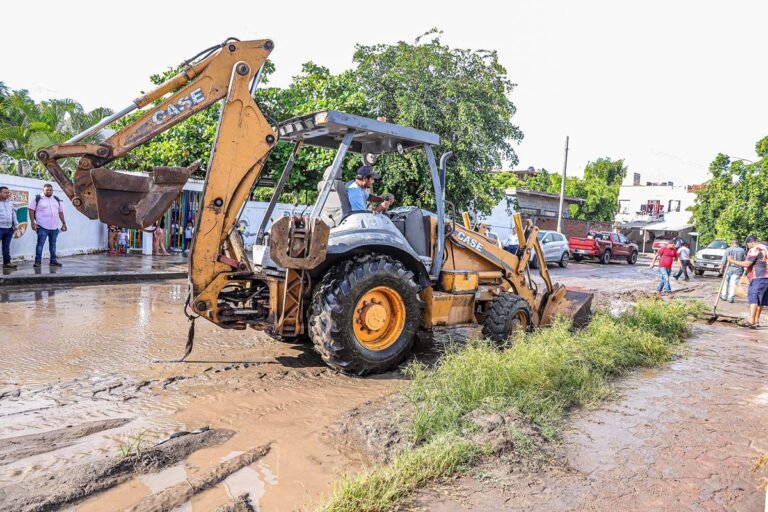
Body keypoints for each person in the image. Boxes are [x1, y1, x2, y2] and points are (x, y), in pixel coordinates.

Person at [727, 235, 768, 328]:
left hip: (758, 277)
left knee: (754, 299)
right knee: (760, 301)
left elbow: (746, 264)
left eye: (748, 244)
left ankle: (751, 321)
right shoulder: (766, 248)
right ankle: (756, 322)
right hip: (766, 278)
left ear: (752, 242)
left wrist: (732, 261)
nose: (748, 246)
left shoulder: (755, 249)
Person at [29, 183, 67, 268]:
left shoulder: (56, 199)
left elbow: (60, 212)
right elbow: (31, 210)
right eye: (47, 190)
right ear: (43, 190)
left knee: (53, 245)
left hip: (54, 227)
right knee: (40, 244)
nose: (49, 191)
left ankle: (53, 261)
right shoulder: (37, 198)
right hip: (42, 226)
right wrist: (32, 222)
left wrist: (64, 223)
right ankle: (37, 262)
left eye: (50, 190)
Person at [720, 239, 746, 303]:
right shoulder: (742, 250)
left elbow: (724, 260)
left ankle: (724, 295)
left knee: (725, 282)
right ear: (738, 243)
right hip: (738, 269)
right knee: (733, 283)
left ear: (731, 243)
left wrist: (721, 268)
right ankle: (731, 297)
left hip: (729, 268)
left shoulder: (728, 249)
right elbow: (744, 260)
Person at [0, 186, 19, 269]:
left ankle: (7, 263)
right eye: (5, 192)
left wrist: (16, 225)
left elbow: (13, 214)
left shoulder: (9, 203)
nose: (8, 194)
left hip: (9, 229)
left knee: (6, 246)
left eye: (8, 192)